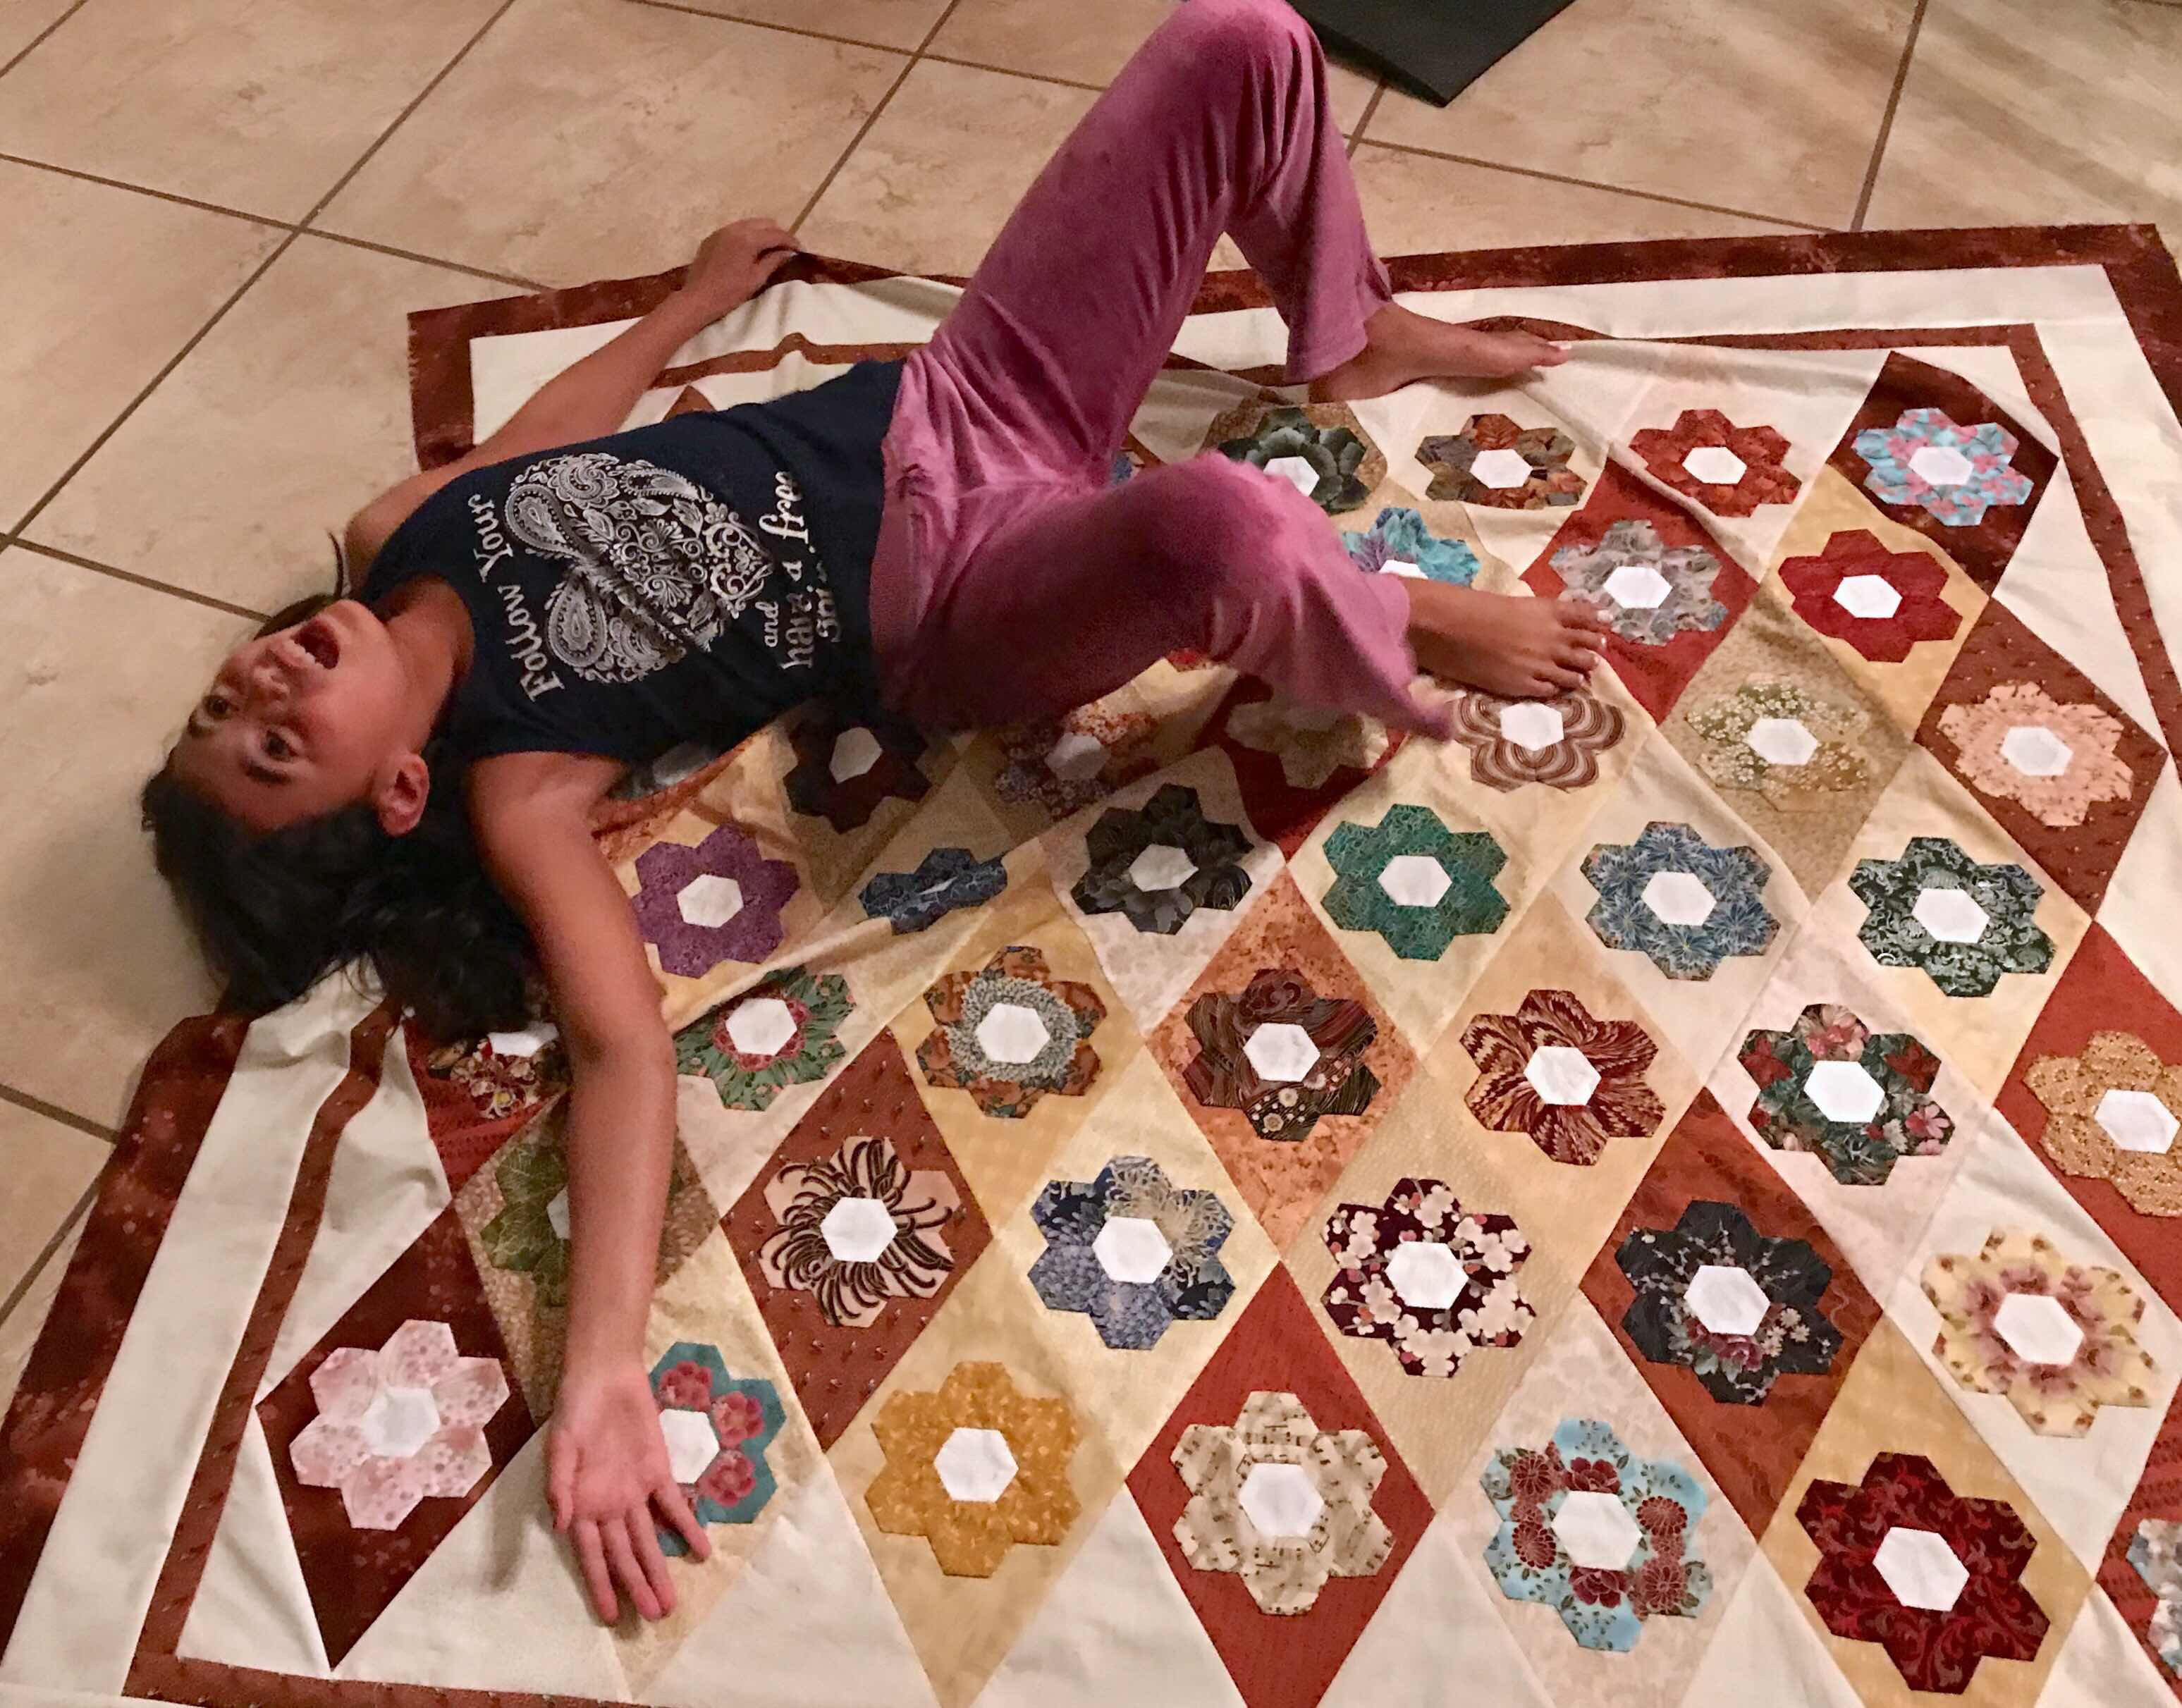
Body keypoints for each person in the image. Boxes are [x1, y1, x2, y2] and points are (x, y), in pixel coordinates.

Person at [142, 0, 1607, 1625]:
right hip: (967, 600)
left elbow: (545, 442)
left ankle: (1352, 331)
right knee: (1230, 527)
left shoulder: (393, 531)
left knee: (1244, 38)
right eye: (273, 749)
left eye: (227, 701)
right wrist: (603, 1366)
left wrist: (693, 304)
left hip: (967, 401)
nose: (262, 684)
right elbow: (622, 1056)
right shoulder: (518, 786)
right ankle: (1385, 626)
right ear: (396, 789)